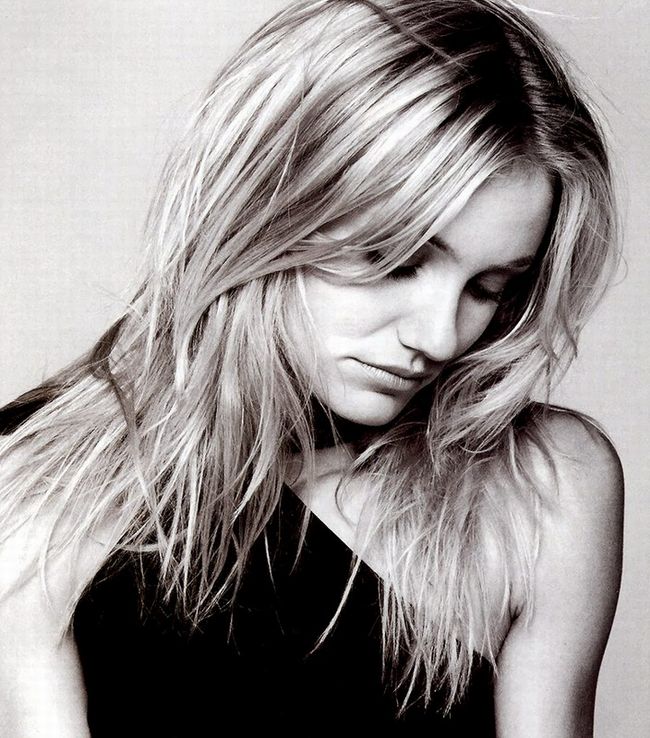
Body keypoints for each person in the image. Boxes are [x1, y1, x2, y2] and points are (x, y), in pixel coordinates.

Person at [0, 0, 623, 735]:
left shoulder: (543, 481)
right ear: (266, 209)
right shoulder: (44, 483)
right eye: (394, 260)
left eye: (489, 287)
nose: (439, 336)